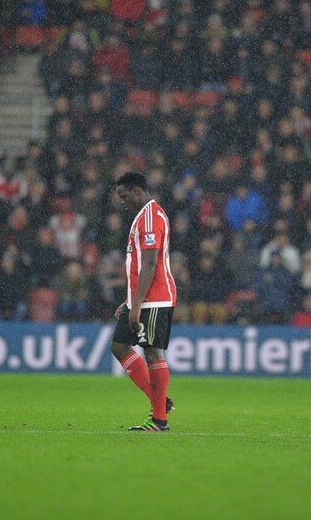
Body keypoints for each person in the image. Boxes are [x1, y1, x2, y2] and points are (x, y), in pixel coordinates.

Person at [111, 171, 176, 432]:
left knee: (152, 352)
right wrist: (130, 299)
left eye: (124, 196)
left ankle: (159, 420)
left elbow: (150, 264)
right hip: (142, 297)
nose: (122, 202)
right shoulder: (144, 216)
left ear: (137, 191)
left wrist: (136, 305)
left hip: (155, 298)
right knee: (119, 346)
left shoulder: (150, 217)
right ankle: (159, 402)